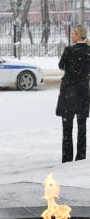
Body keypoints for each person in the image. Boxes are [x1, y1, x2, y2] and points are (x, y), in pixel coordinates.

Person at [56, 24, 90, 163]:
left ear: (78, 35)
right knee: (82, 127)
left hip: (69, 93)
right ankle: (81, 157)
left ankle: (67, 157)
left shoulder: (69, 50)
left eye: (73, 34)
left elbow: (60, 66)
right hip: (83, 92)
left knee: (67, 128)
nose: (71, 36)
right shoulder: (89, 51)